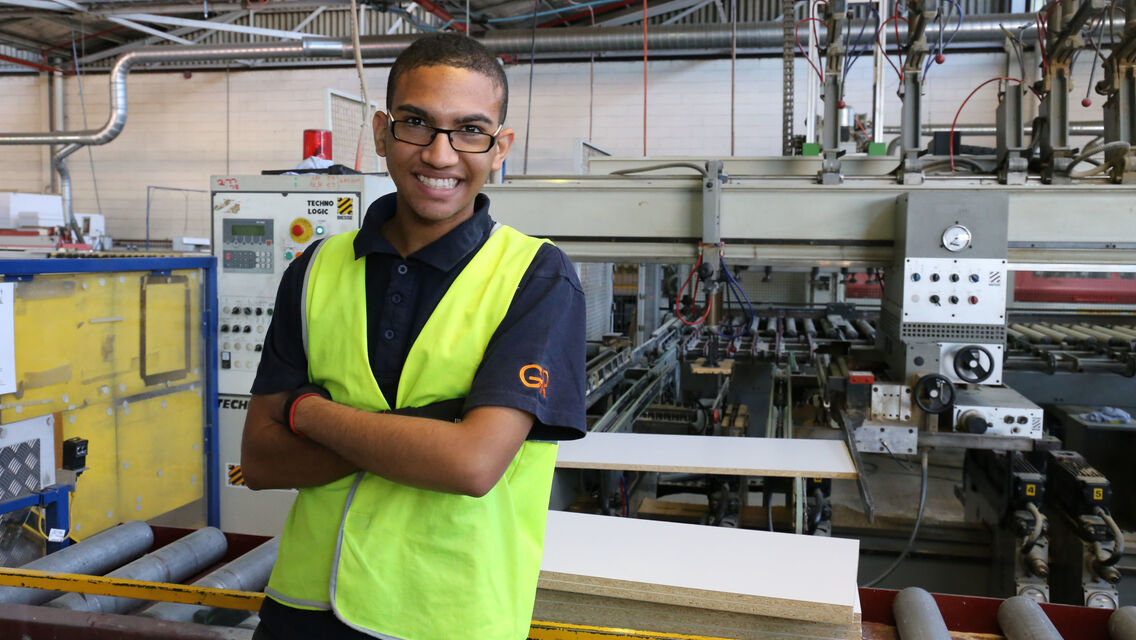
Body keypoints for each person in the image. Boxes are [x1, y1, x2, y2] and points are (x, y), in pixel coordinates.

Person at [241, 33, 586, 640]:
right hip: (301, 607)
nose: (440, 153)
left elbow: (473, 466)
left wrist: (308, 412)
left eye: (470, 130)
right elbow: (262, 460)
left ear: (500, 147)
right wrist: (427, 434)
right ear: (381, 133)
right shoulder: (317, 267)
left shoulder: (535, 276)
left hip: (445, 614)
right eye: (416, 123)